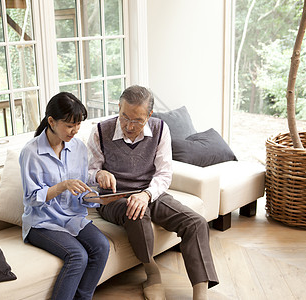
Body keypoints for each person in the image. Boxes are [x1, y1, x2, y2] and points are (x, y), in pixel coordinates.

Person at [87, 85, 219, 300]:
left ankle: (200, 294)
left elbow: (165, 174)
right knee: (136, 213)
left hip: (149, 192)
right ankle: (152, 274)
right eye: (124, 117)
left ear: (149, 115)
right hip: (114, 198)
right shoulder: (100, 131)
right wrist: (99, 174)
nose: (129, 126)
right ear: (119, 108)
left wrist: (146, 195)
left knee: (195, 222)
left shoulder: (160, 129)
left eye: (137, 120)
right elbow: (89, 171)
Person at [19, 92, 110, 300]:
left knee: (101, 246)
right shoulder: (31, 153)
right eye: (70, 125)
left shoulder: (78, 147)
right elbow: (31, 198)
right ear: (51, 121)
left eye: (78, 124)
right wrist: (61, 186)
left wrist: (97, 198)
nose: (75, 130)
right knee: (77, 256)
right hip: (41, 223)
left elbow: (79, 189)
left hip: (72, 216)